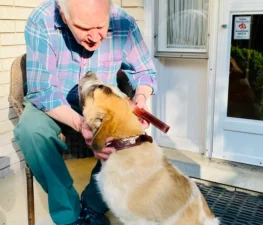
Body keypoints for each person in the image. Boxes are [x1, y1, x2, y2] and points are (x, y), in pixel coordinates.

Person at [13, 0, 157, 224]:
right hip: (54, 102)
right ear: (63, 13)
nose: (94, 37)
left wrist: (140, 100)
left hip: (100, 99)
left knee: (130, 136)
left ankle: (94, 205)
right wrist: (81, 123)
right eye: (83, 28)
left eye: (101, 27)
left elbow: (144, 70)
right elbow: (42, 90)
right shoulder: (41, 20)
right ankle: (69, 213)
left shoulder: (124, 22)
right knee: (29, 131)